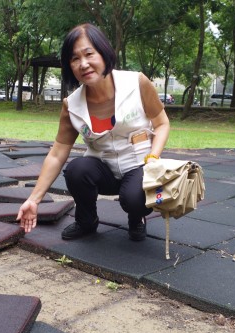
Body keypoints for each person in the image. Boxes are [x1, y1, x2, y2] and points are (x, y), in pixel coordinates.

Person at [16, 23, 170, 241]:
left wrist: (153, 160)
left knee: (134, 199)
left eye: (89, 54)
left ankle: (137, 218)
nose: (83, 64)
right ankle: (86, 221)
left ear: (104, 53)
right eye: (75, 59)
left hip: (139, 164)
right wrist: (34, 199)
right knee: (77, 170)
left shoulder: (136, 83)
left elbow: (162, 123)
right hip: (103, 168)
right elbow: (58, 152)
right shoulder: (72, 105)